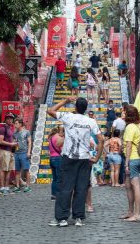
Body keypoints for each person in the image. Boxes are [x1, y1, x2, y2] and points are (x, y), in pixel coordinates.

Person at [47, 97, 104, 227]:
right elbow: (101, 140)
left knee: (65, 188)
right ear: (85, 108)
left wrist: (65, 101)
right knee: (81, 188)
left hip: (69, 157)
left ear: (76, 107)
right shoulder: (91, 121)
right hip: (84, 158)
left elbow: (50, 110)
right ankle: (78, 218)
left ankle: (62, 218)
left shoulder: (68, 117)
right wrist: (96, 158)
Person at [122, 105, 140, 222]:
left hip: (133, 158)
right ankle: (130, 212)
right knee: (128, 185)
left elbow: (129, 146)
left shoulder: (130, 127)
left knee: (135, 185)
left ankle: (137, 214)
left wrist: (126, 163)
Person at [0, 113, 18, 195]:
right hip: (4, 151)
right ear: (5, 119)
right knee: (3, 169)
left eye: (11, 118)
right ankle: (2, 188)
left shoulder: (10, 129)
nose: (10, 120)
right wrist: (11, 144)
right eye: (8, 118)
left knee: (9, 170)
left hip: (10, 152)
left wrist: (14, 145)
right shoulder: (3, 129)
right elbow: (0, 141)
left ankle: (6, 187)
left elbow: (10, 140)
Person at [13, 118, 32, 193]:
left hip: (24, 153)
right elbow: (14, 142)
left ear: (20, 124)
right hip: (17, 153)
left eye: (16, 123)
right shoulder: (15, 133)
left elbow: (29, 142)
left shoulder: (26, 132)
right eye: (15, 123)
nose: (15, 125)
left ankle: (28, 186)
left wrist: (28, 152)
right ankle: (17, 186)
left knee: (26, 170)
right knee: (17, 171)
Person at [48, 126, 64, 200]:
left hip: (51, 158)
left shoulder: (51, 138)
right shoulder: (58, 137)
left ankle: (53, 195)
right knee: (59, 178)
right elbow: (61, 148)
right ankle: (59, 194)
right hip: (58, 158)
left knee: (54, 178)